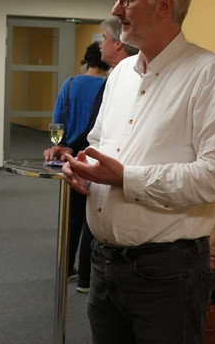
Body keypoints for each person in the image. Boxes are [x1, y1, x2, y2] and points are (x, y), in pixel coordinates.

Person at [62, 0, 215, 343]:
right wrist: (83, 169)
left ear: (164, 5)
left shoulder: (209, 72)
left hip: (167, 272)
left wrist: (126, 178)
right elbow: (97, 146)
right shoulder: (121, 75)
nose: (116, 10)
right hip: (103, 262)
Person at [44, 18, 138, 292]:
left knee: (81, 217)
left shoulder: (119, 80)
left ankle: (76, 273)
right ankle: (85, 277)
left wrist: (68, 148)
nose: (101, 44)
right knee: (87, 218)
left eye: (104, 39)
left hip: (107, 167)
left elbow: (68, 122)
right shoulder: (113, 80)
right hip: (88, 159)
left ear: (118, 44)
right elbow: (95, 129)